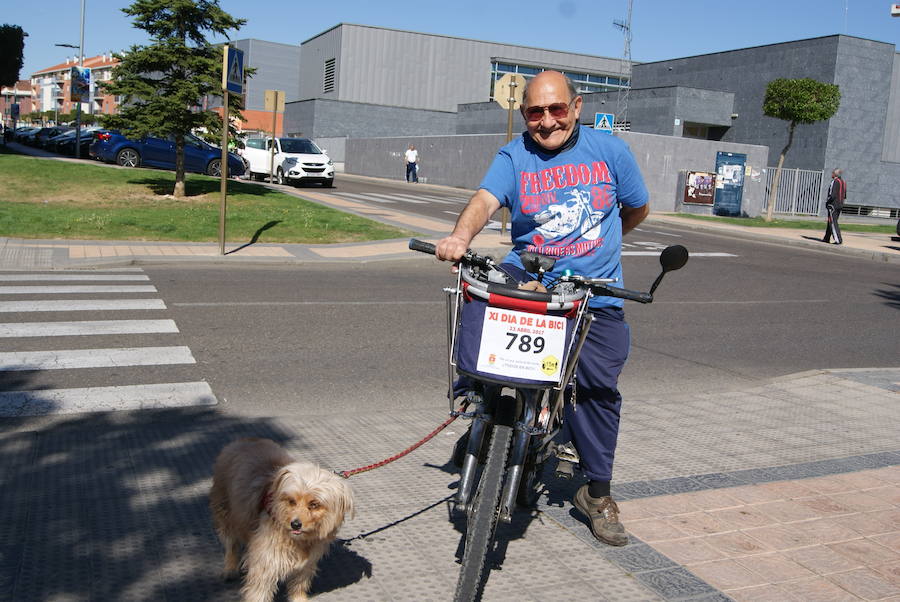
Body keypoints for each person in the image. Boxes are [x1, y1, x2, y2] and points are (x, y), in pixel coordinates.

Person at [435, 70, 650, 546]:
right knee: (479, 298)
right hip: (529, 272)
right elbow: (485, 199)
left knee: (596, 390)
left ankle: (596, 492)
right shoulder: (515, 155)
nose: (547, 121)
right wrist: (460, 237)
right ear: (524, 114)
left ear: (576, 107)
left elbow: (636, 208)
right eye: (536, 111)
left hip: (593, 289)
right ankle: (479, 404)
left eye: (557, 109)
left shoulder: (610, 151)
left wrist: (602, 251)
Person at [822, 168, 846, 244]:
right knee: (831, 220)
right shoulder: (843, 182)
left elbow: (832, 195)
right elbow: (844, 195)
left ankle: (838, 239)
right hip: (840, 204)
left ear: (835, 174)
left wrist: (828, 202)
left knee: (833, 222)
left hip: (833, 205)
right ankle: (826, 238)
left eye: (832, 172)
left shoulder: (835, 181)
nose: (831, 174)